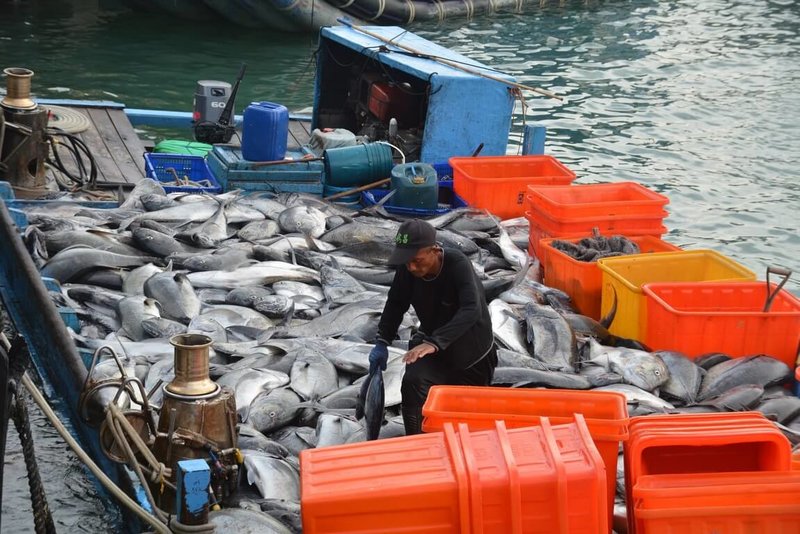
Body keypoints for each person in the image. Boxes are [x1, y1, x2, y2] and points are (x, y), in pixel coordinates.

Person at [368, 219, 497, 435]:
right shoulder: (407, 269)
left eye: (417, 261)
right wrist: (382, 340)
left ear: (435, 250)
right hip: (433, 346)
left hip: (473, 353)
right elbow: (395, 303)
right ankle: (416, 442)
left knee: (465, 414)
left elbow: (471, 309)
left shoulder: (457, 263)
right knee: (413, 382)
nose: (412, 267)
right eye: (406, 261)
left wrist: (436, 342)